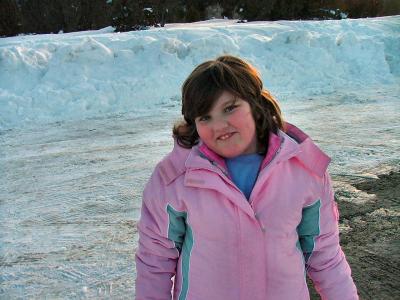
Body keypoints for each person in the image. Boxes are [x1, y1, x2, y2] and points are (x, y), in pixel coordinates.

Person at [135, 55, 358, 299]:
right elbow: (154, 262)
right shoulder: (174, 179)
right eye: (205, 117)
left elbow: (325, 256)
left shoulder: (303, 170)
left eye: (229, 108)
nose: (219, 125)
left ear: (255, 104)